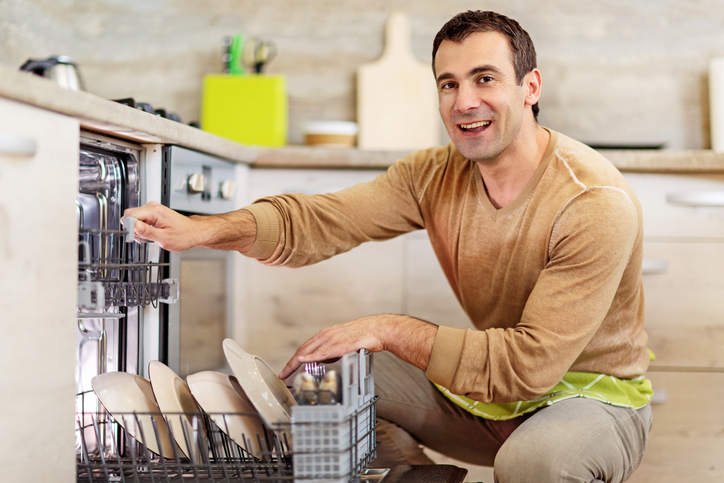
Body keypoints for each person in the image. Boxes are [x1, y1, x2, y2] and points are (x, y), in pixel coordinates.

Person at [125, 10, 653, 483]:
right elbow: (323, 219)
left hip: (592, 397)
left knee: (534, 467)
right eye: (449, 84)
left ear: (530, 86)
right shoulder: (434, 175)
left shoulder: (593, 201)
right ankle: (417, 480)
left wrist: (389, 329)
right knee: (326, 384)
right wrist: (205, 229)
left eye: (485, 78)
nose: (464, 101)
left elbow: (529, 367)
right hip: (494, 401)